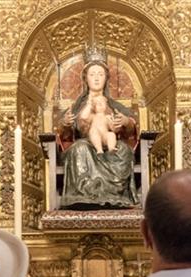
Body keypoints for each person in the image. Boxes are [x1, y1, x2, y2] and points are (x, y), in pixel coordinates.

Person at [57, 45, 138, 209]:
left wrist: (125, 122)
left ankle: (115, 195)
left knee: (123, 151)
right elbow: (65, 134)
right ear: (85, 78)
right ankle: (84, 193)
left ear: (106, 78)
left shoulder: (114, 105)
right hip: (86, 143)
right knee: (79, 148)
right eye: (92, 74)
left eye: (100, 74)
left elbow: (131, 128)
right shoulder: (78, 105)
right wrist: (65, 123)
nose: (96, 78)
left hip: (110, 143)